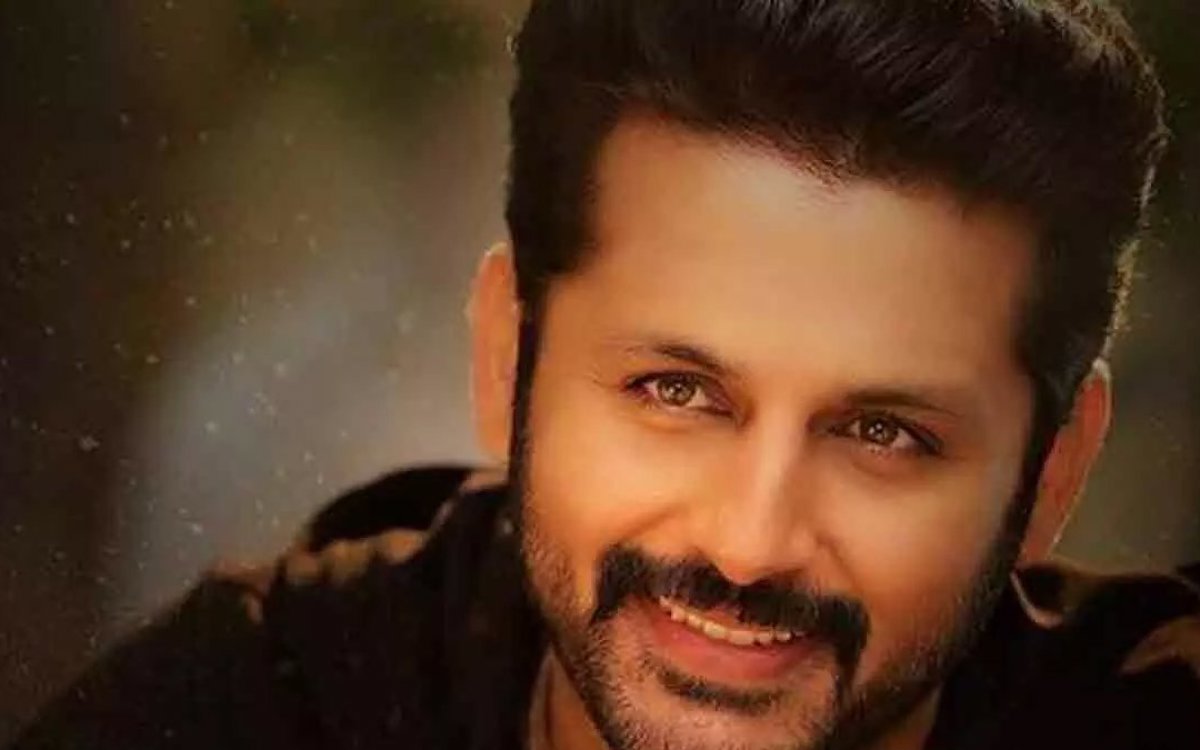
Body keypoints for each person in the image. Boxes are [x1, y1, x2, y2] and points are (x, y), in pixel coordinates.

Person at [10, 1, 1200, 749]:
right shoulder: (262, 708)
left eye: (883, 433)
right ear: (506, 360)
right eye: (675, 392)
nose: (748, 546)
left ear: (1051, 476)